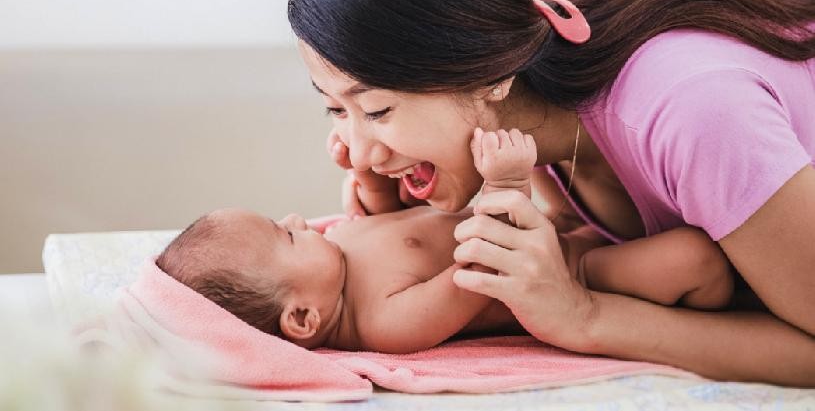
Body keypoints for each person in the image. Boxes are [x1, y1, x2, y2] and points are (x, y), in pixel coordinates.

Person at [286, 0, 815, 383]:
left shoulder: (695, 112)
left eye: (377, 111)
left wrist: (585, 317)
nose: (359, 154)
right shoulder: (534, 64)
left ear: (487, 75)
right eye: (336, 110)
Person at [156, 129, 733, 352]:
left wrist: (369, 178)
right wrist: (505, 184)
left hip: (561, 227)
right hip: (581, 270)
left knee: (638, 195)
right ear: (302, 318)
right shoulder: (385, 323)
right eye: (284, 236)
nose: (297, 219)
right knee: (694, 256)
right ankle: (729, 310)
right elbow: (483, 272)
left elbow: (392, 221)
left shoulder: (337, 255)